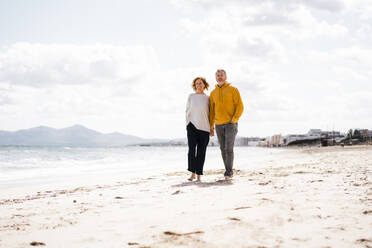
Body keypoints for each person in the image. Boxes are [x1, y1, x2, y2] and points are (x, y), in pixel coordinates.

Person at [209, 69, 244, 180]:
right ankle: (228, 170)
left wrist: (234, 119)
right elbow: (211, 111)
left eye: (222, 75)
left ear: (226, 76)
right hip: (218, 125)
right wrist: (211, 126)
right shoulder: (213, 93)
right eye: (218, 75)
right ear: (216, 77)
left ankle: (228, 172)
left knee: (229, 148)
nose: (220, 77)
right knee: (222, 149)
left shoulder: (233, 89)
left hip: (230, 124)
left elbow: (240, 106)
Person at [185, 77, 210, 182]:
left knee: (201, 152)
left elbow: (211, 113)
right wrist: (188, 123)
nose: (199, 85)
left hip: (205, 127)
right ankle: (192, 173)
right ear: (194, 85)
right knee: (191, 151)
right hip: (192, 126)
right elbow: (187, 110)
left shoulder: (208, 98)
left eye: (200, 83)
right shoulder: (191, 96)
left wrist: (211, 128)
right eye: (196, 83)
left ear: (204, 84)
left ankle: (199, 174)